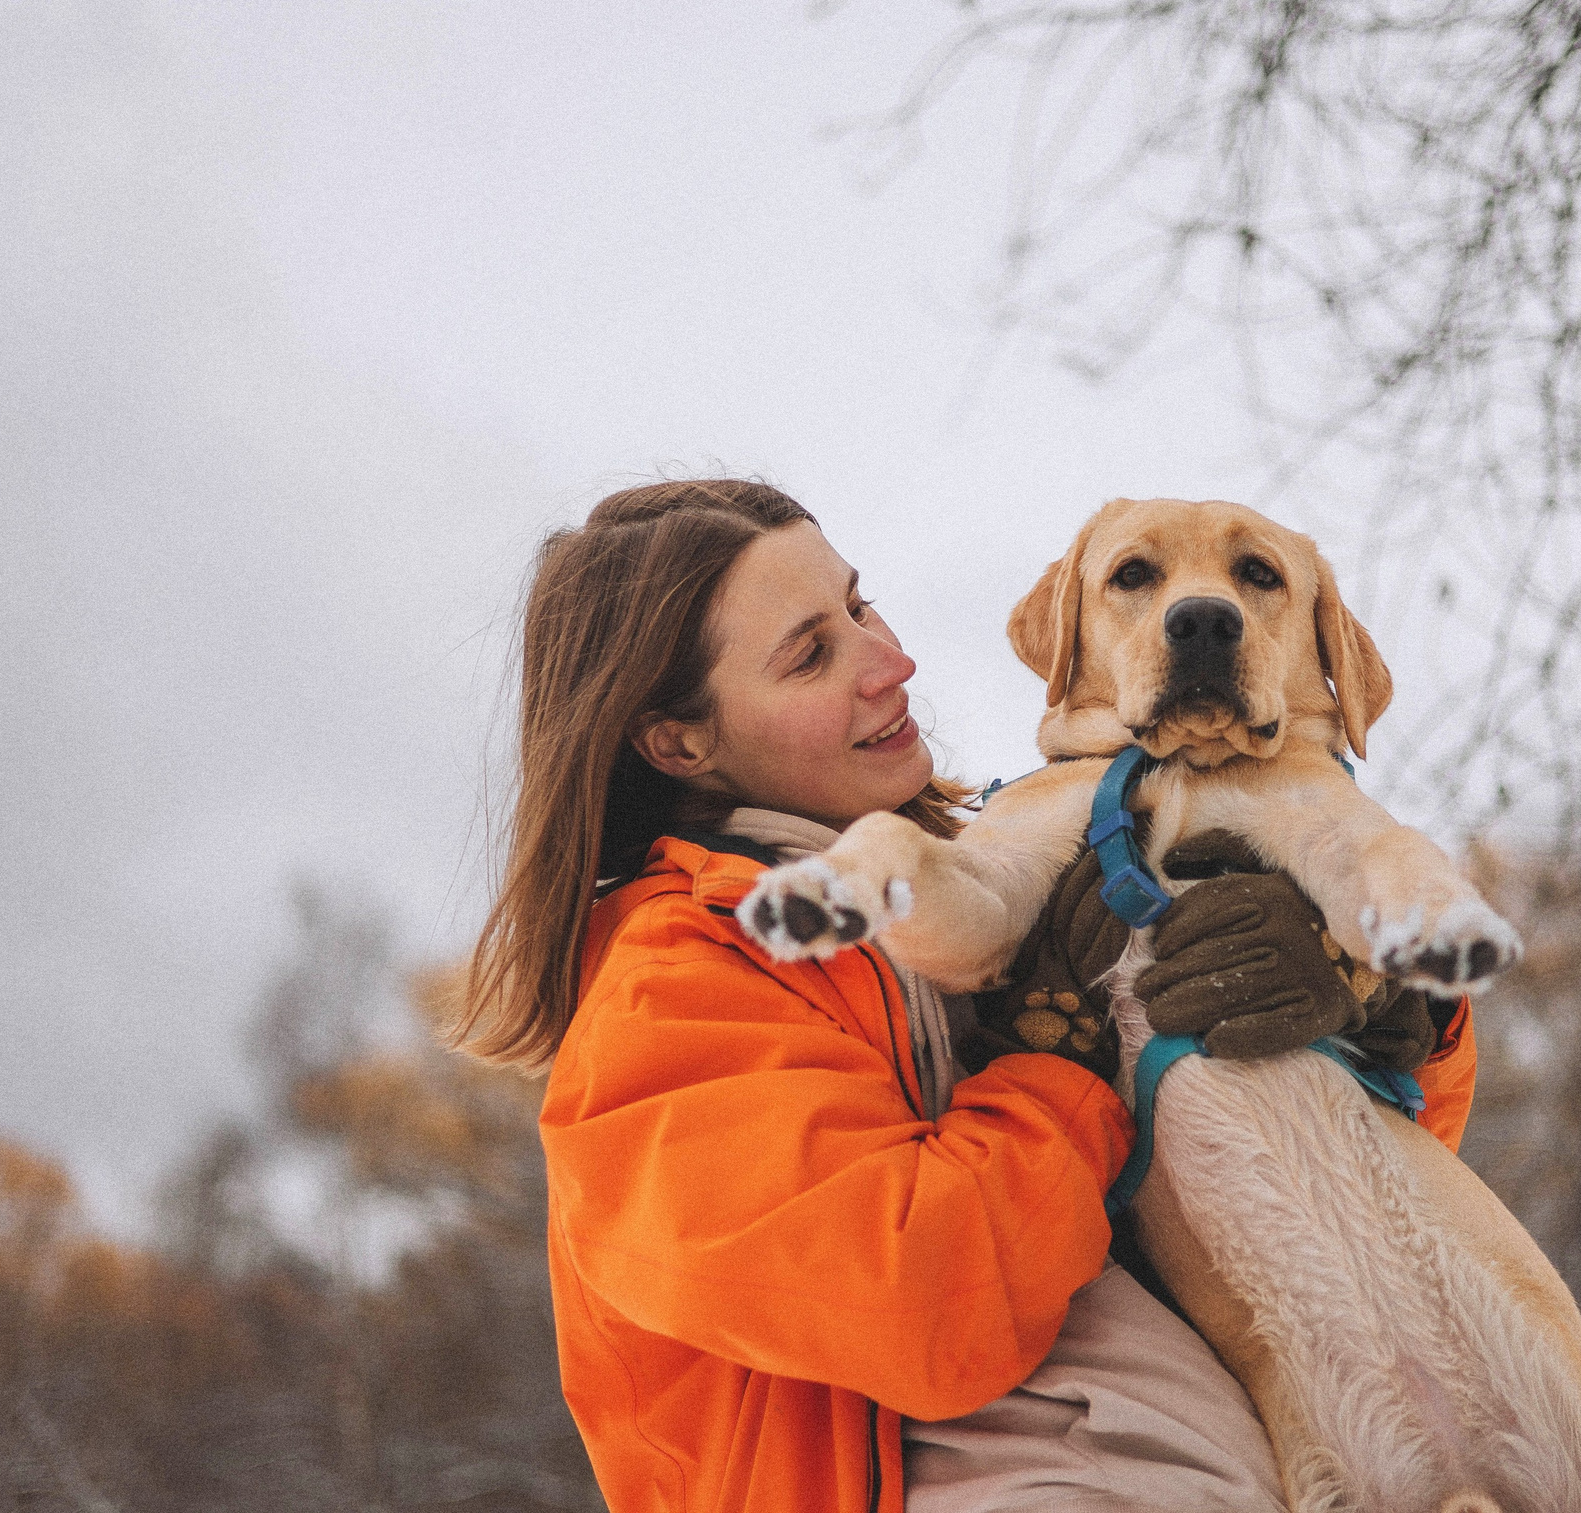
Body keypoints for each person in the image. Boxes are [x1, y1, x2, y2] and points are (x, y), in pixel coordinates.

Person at [456, 480, 1480, 1513]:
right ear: (678, 740)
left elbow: (1318, 1201)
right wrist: (1069, 1064)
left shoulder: (1018, 863)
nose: (888, 662)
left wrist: (1386, 1018)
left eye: (859, 607)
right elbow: (923, 1305)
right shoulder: (666, 1003)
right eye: (811, 653)